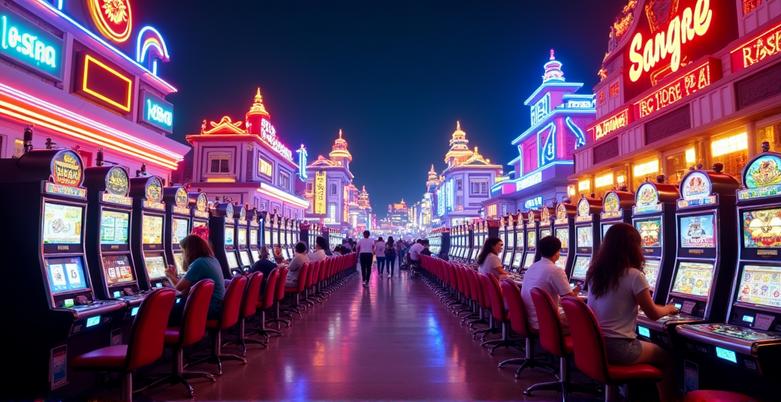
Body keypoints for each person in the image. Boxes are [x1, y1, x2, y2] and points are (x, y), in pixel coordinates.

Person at [586, 223, 679, 401]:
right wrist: (670, 308)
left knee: (645, 340)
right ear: (633, 247)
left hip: (596, 344)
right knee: (666, 357)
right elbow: (653, 313)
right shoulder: (634, 275)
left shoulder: (596, 274)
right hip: (620, 348)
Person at [521, 236, 579, 331]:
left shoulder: (532, 267)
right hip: (546, 322)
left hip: (530, 318)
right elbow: (570, 301)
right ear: (557, 252)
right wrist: (576, 293)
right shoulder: (555, 270)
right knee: (587, 320)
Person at [165, 235, 225, 322]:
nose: (182, 254)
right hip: (215, 306)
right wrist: (174, 277)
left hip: (207, 308)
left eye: (183, 251)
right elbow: (185, 290)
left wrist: (169, 275)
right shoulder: (211, 259)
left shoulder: (199, 263)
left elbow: (178, 288)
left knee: (159, 312)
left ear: (189, 250)